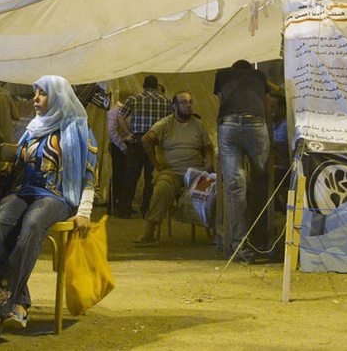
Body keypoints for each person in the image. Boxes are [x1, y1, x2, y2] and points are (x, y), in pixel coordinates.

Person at [0, 75, 98, 344]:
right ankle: (19, 302)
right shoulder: (34, 127)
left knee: (33, 222)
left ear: (58, 97)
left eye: (41, 94)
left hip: (58, 196)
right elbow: (19, 164)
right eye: (35, 93)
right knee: (0, 220)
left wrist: (84, 211)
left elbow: (89, 174)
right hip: (26, 191)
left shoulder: (79, 129)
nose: (35, 99)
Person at [135, 91, 214, 245]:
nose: (188, 105)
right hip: (171, 171)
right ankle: (147, 233)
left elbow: (208, 148)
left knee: (214, 190)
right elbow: (146, 140)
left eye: (190, 102)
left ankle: (216, 232)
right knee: (162, 188)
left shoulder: (198, 125)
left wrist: (209, 164)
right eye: (184, 102)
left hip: (196, 172)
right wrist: (157, 164)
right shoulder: (165, 124)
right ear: (174, 106)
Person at [213, 59, 272, 261]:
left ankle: (241, 247)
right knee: (260, 181)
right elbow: (266, 106)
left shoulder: (222, 75)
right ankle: (261, 242)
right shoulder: (259, 76)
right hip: (255, 122)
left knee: (235, 186)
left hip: (228, 124)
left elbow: (221, 102)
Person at [115, 75, 170, 218]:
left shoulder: (134, 99)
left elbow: (120, 116)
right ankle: (148, 209)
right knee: (151, 176)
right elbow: (171, 122)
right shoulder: (165, 101)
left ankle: (125, 208)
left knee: (131, 175)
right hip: (155, 141)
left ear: (143, 85)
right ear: (157, 85)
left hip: (137, 140)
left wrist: (128, 133)